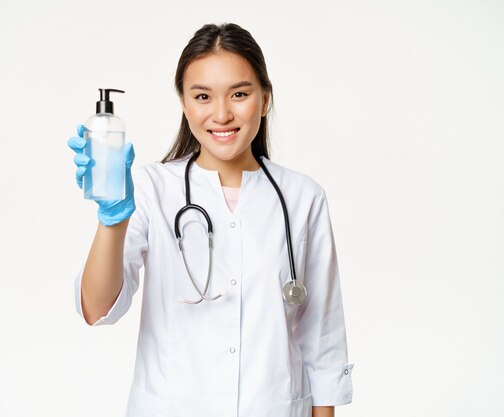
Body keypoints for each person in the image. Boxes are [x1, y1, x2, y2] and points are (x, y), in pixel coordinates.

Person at [68, 22, 354, 417]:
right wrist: (112, 219)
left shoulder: (303, 198)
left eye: (239, 94)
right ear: (185, 104)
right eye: (202, 96)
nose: (222, 114)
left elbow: (322, 340)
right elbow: (97, 308)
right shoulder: (152, 188)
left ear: (265, 99)